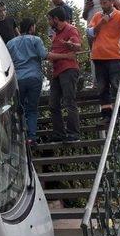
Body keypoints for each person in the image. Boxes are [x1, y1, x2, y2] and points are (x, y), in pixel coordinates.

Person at [6, 17, 76, 145]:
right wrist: (66, 56)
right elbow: (45, 55)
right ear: (32, 27)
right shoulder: (36, 40)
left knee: (18, 108)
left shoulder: (10, 43)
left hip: (18, 79)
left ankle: (17, 136)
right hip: (34, 78)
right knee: (32, 109)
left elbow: (7, 61)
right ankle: (31, 137)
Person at [87, 0, 120, 126]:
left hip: (114, 56)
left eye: (105, 3)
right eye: (101, 3)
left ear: (112, 2)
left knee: (115, 85)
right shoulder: (97, 16)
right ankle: (106, 116)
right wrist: (102, 22)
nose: (103, 5)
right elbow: (90, 32)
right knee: (102, 88)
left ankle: (119, 114)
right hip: (98, 56)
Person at [47, 7, 82, 142]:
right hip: (57, 72)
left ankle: (74, 134)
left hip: (68, 69)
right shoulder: (56, 34)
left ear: (56, 19)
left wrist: (71, 45)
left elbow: (77, 45)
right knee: (53, 104)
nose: (49, 22)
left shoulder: (70, 29)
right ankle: (59, 134)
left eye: (50, 19)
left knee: (69, 100)